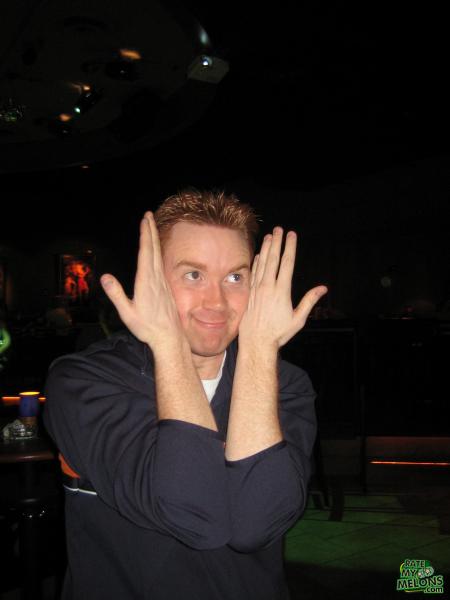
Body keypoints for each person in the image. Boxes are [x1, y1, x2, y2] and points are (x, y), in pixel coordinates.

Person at [43, 189, 327, 600]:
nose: (217, 302)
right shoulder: (82, 381)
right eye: (193, 275)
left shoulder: (286, 385)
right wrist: (169, 343)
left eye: (235, 277)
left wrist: (259, 350)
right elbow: (195, 516)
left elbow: (257, 527)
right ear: (153, 279)